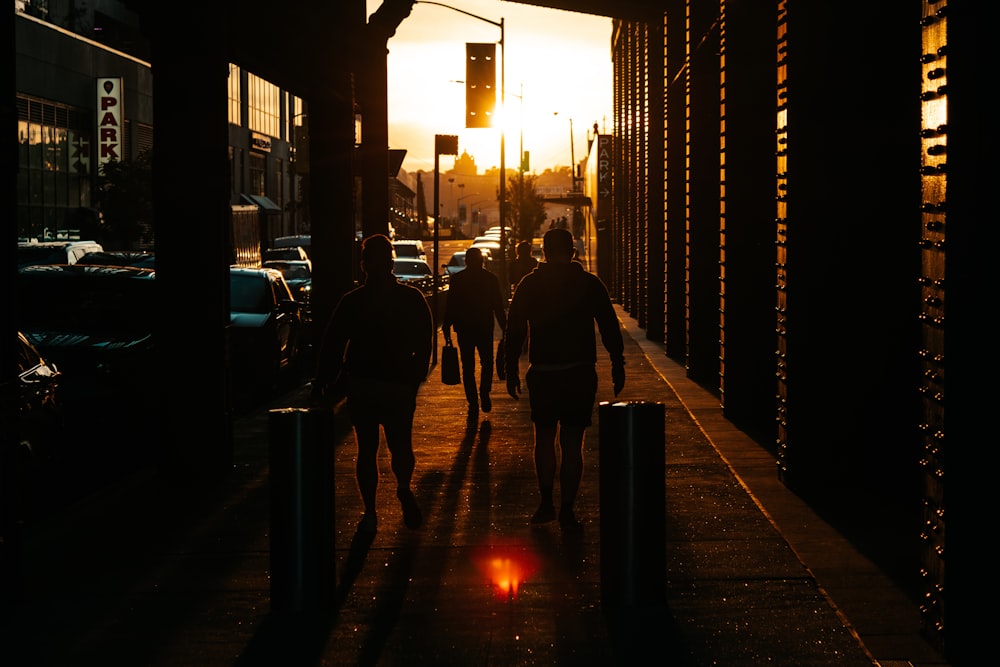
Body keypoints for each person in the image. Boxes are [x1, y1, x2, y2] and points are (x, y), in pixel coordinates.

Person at [504, 228, 626, 531]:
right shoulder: (588, 284)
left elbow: (515, 329)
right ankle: (568, 509)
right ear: (572, 252)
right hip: (580, 371)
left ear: (543, 251)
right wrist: (616, 361)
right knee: (573, 442)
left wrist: (509, 367)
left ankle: (546, 502)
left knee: (543, 438)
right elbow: (609, 325)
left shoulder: (529, 284)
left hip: (543, 372)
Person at [312, 233, 433, 534]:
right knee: (400, 444)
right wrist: (415, 375)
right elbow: (424, 339)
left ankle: (369, 510)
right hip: (398, 384)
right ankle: (403, 486)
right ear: (392, 262)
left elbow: (333, 342)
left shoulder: (352, 301)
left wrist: (323, 380)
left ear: (363, 265)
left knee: (367, 449)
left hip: (363, 382)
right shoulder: (411, 298)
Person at [442, 246, 507, 414]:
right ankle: (484, 392)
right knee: (487, 362)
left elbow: (451, 304)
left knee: (468, 365)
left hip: (464, 328)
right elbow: (498, 306)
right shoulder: (490, 279)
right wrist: (505, 327)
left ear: (466, 261)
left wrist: (447, 325)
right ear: (482, 261)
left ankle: (472, 400)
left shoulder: (457, 279)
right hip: (484, 326)